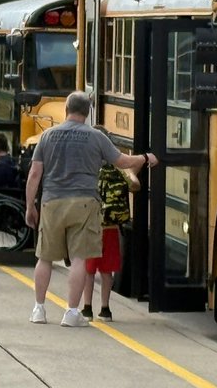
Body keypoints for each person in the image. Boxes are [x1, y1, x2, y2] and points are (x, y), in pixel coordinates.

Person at [24, 91, 157, 327]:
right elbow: (122, 163)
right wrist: (145, 158)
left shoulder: (47, 136)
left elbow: (34, 174)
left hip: (52, 201)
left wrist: (29, 207)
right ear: (88, 112)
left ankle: (38, 309)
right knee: (79, 259)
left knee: (44, 258)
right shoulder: (96, 137)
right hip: (85, 202)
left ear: (66, 108)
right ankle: (72, 313)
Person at [82, 127, 141, 321]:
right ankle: (105, 309)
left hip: (90, 225)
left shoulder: (87, 164)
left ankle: (87, 308)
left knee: (88, 269)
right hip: (111, 227)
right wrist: (132, 170)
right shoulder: (118, 166)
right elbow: (135, 185)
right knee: (107, 270)